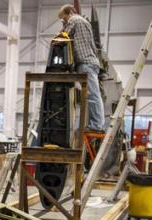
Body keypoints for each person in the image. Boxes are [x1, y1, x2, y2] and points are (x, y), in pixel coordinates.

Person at [59, 4, 105, 132]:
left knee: (92, 95)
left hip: (86, 63)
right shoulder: (83, 22)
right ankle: (97, 124)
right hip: (89, 62)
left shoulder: (75, 20)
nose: (64, 22)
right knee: (93, 95)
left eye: (63, 19)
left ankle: (96, 125)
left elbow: (63, 37)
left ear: (69, 14)